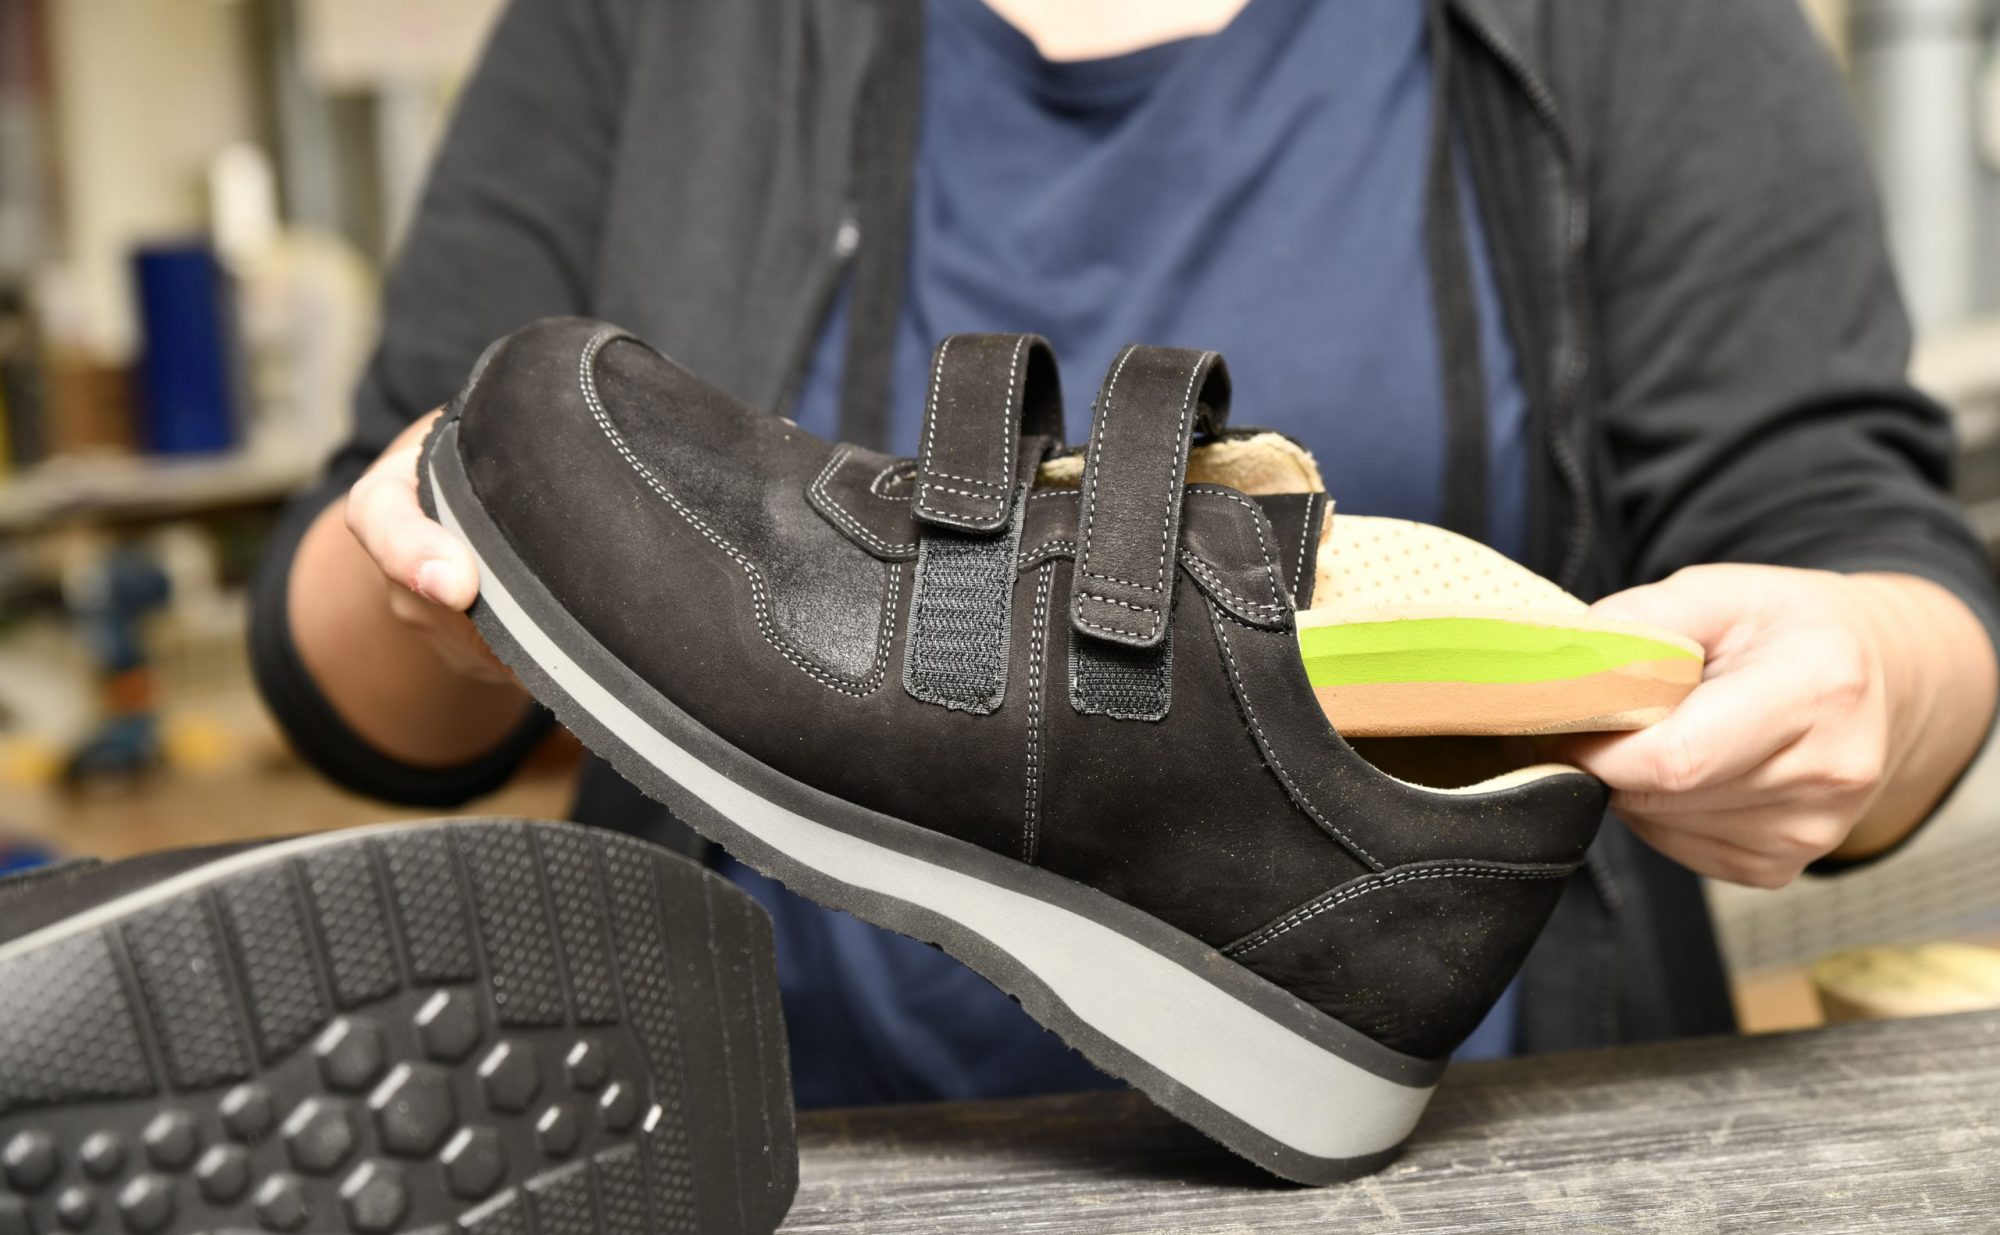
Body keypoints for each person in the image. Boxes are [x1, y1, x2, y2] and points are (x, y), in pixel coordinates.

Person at [251, 0, 1999, 1104]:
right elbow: (354, 677)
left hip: (1496, 1137)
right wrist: (444, 558)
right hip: (745, 1132)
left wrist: (1873, 673)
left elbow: (1848, 530)